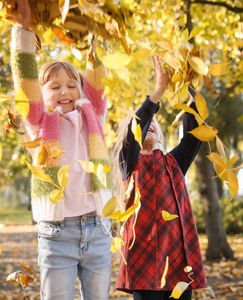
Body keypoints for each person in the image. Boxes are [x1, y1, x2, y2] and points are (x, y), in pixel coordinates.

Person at [11, 0, 112, 299]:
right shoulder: (39, 123)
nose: (65, 91)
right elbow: (25, 83)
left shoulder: (92, 116)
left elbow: (97, 79)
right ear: (41, 96)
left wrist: (96, 31)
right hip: (57, 234)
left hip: (98, 229)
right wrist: (24, 30)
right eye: (54, 87)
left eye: (72, 85)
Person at [113, 56, 207, 300]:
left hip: (176, 256)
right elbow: (134, 137)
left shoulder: (173, 163)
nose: (149, 123)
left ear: (162, 135)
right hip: (141, 256)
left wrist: (187, 86)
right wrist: (158, 92)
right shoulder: (128, 163)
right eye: (144, 122)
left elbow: (194, 134)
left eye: (153, 121)